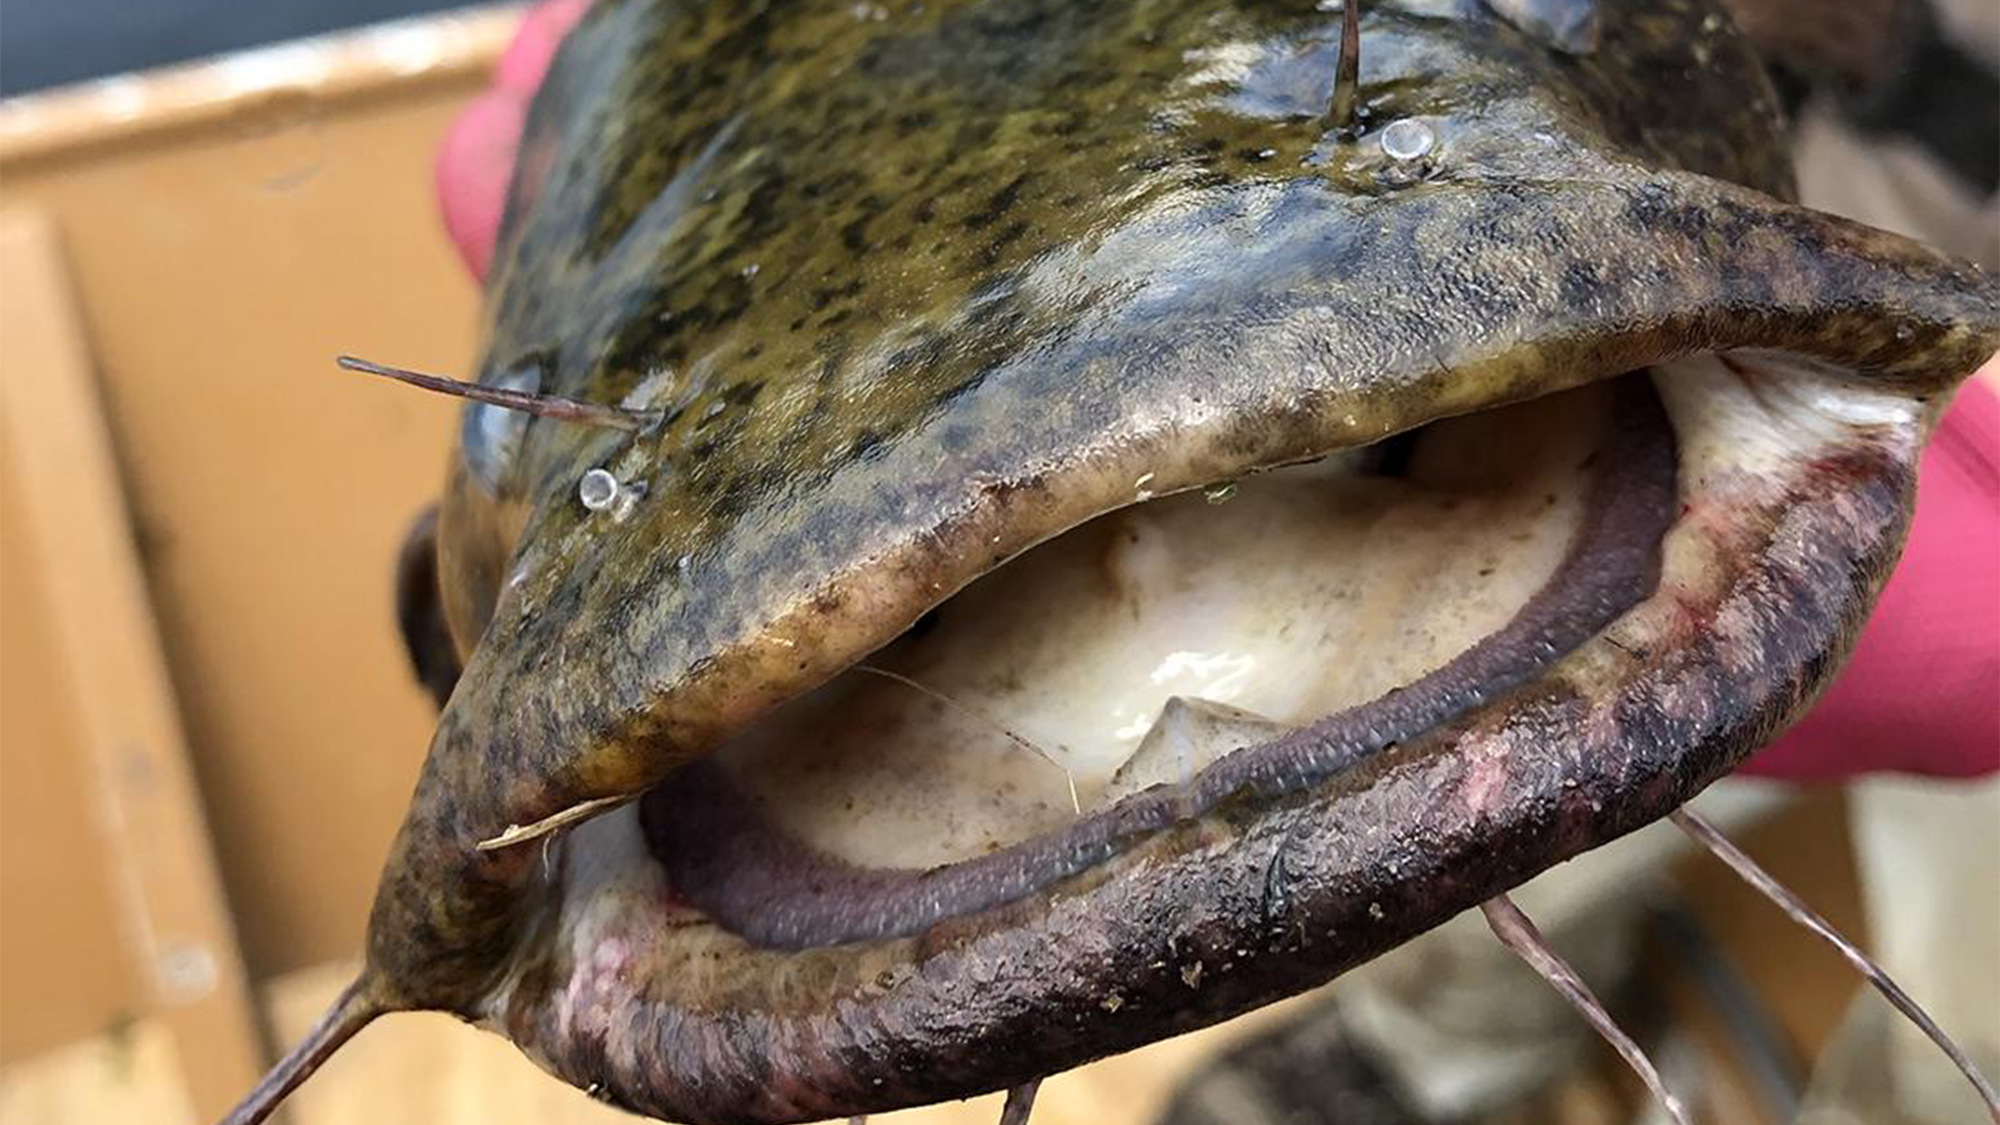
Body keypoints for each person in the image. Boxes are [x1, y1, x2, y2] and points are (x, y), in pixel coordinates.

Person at [433, 4, 1999, 1122]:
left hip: (1825, 260)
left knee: (1964, 1034)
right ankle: (1421, 1053)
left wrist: (1901, 63)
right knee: (1455, 837)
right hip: (1625, 284)